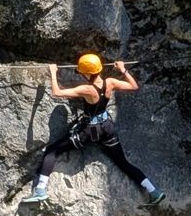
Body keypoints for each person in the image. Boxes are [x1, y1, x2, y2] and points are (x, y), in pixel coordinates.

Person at [25, 52, 164, 206]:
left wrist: (52, 73)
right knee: (123, 163)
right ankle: (153, 191)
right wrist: (123, 69)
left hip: (89, 132)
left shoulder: (87, 89)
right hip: (107, 128)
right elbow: (133, 86)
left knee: (52, 151)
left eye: (82, 72)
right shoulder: (110, 82)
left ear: (87, 73)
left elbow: (57, 93)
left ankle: (40, 190)